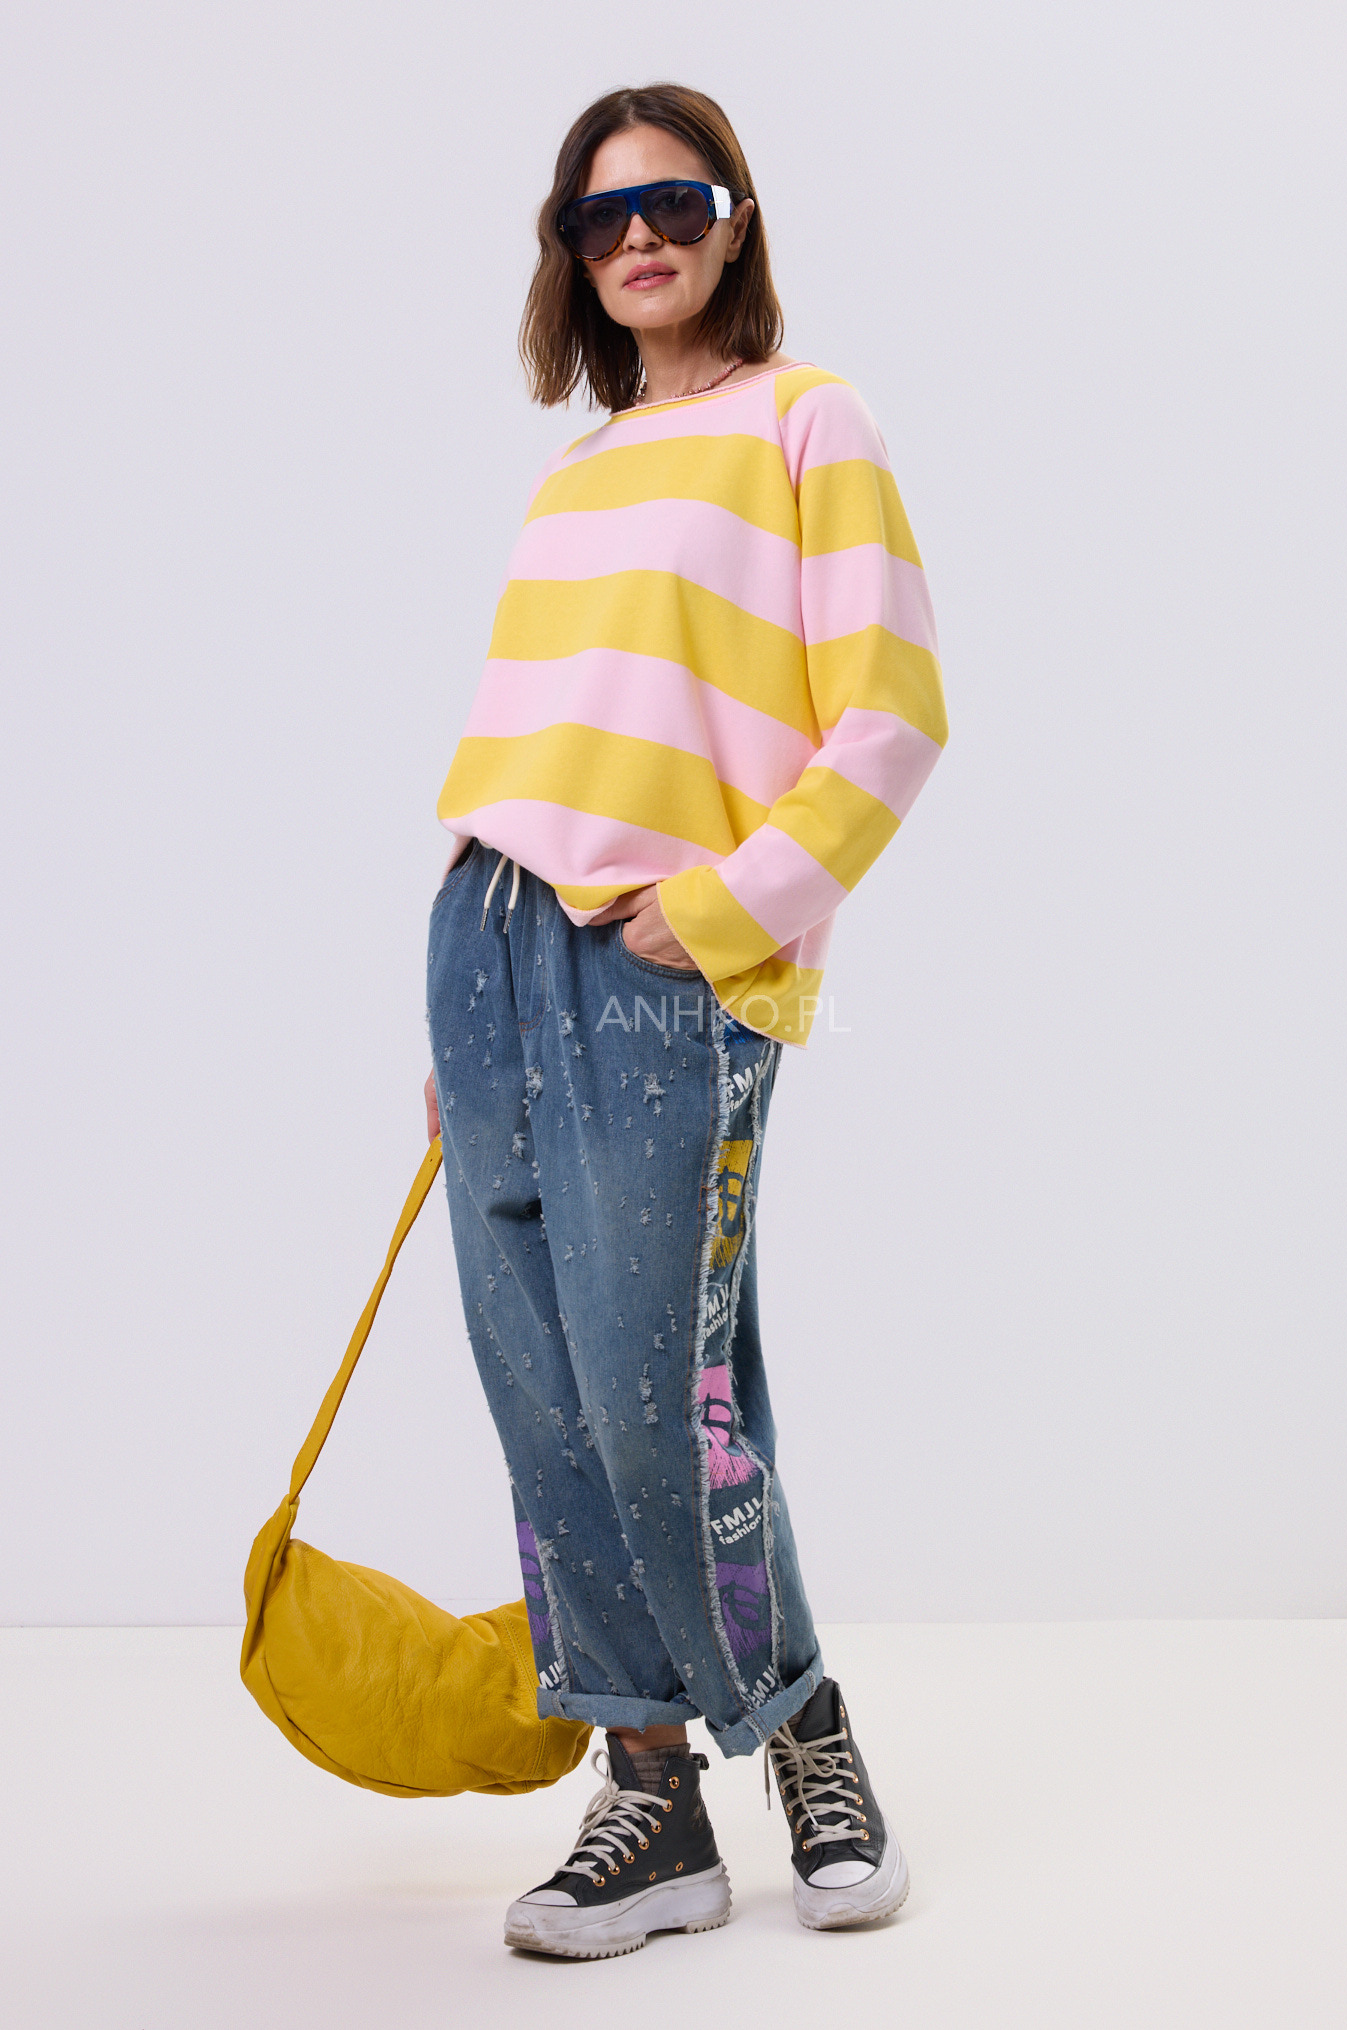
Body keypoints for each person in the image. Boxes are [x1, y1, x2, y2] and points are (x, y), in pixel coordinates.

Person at [423, 82, 946, 1958]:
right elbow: (542, 745)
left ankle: (803, 1732)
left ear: (733, 221)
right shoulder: (571, 474)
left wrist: (724, 912)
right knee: (549, 1400)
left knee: (667, 1391)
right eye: (599, 215)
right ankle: (647, 1795)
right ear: (569, 254)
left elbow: (890, 718)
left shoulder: (809, 420)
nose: (637, 235)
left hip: (663, 962)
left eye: (673, 200)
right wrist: (460, 1027)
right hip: (489, 946)